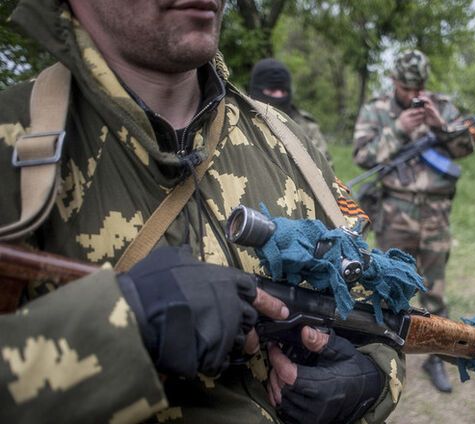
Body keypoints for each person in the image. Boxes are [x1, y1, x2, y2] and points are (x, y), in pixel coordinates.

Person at [0, 0, 405, 422]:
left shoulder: (290, 145)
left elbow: (376, 311)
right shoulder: (10, 139)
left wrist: (372, 378)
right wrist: (119, 325)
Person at [353, 49, 475, 394]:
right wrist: (396, 130)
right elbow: (362, 156)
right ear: (394, 81)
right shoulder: (376, 109)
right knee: (390, 285)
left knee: (434, 291)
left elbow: (468, 146)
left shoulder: (442, 106)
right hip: (395, 211)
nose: (414, 94)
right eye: (407, 87)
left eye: (419, 85)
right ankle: (382, 357)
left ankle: (437, 358)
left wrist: (441, 125)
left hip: (436, 213)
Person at [249, 58, 332, 164]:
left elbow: (325, 166)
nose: (278, 96)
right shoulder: (240, 122)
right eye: (272, 91)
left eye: (283, 91)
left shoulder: (306, 126)